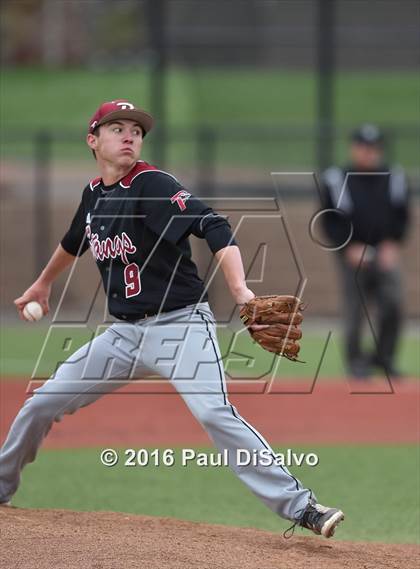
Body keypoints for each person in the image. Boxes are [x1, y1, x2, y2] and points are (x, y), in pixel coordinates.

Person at [0, 100, 344, 538]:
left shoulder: (153, 184)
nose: (129, 136)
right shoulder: (94, 195)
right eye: (116, 128)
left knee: (215, 413)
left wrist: (240, 291)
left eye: (136, 131)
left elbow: (214, 225)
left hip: (180, 327)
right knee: (42, 403)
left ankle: (303, 507)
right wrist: (42, 284)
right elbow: (74, 241)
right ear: (93, 141)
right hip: (123, 334)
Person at [321, 124, 410, 379]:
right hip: (352, 253)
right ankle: (356, 363)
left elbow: (402, 215)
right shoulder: (336, 178)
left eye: (374, 148)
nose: (369, 153)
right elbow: (329, 218)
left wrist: (393, 243)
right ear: (354, 148)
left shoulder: (394, 176)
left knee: (393, 304)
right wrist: (347, 246)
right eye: (364, 147)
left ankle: (384, 358)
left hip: (385, 252)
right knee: (354, 309)